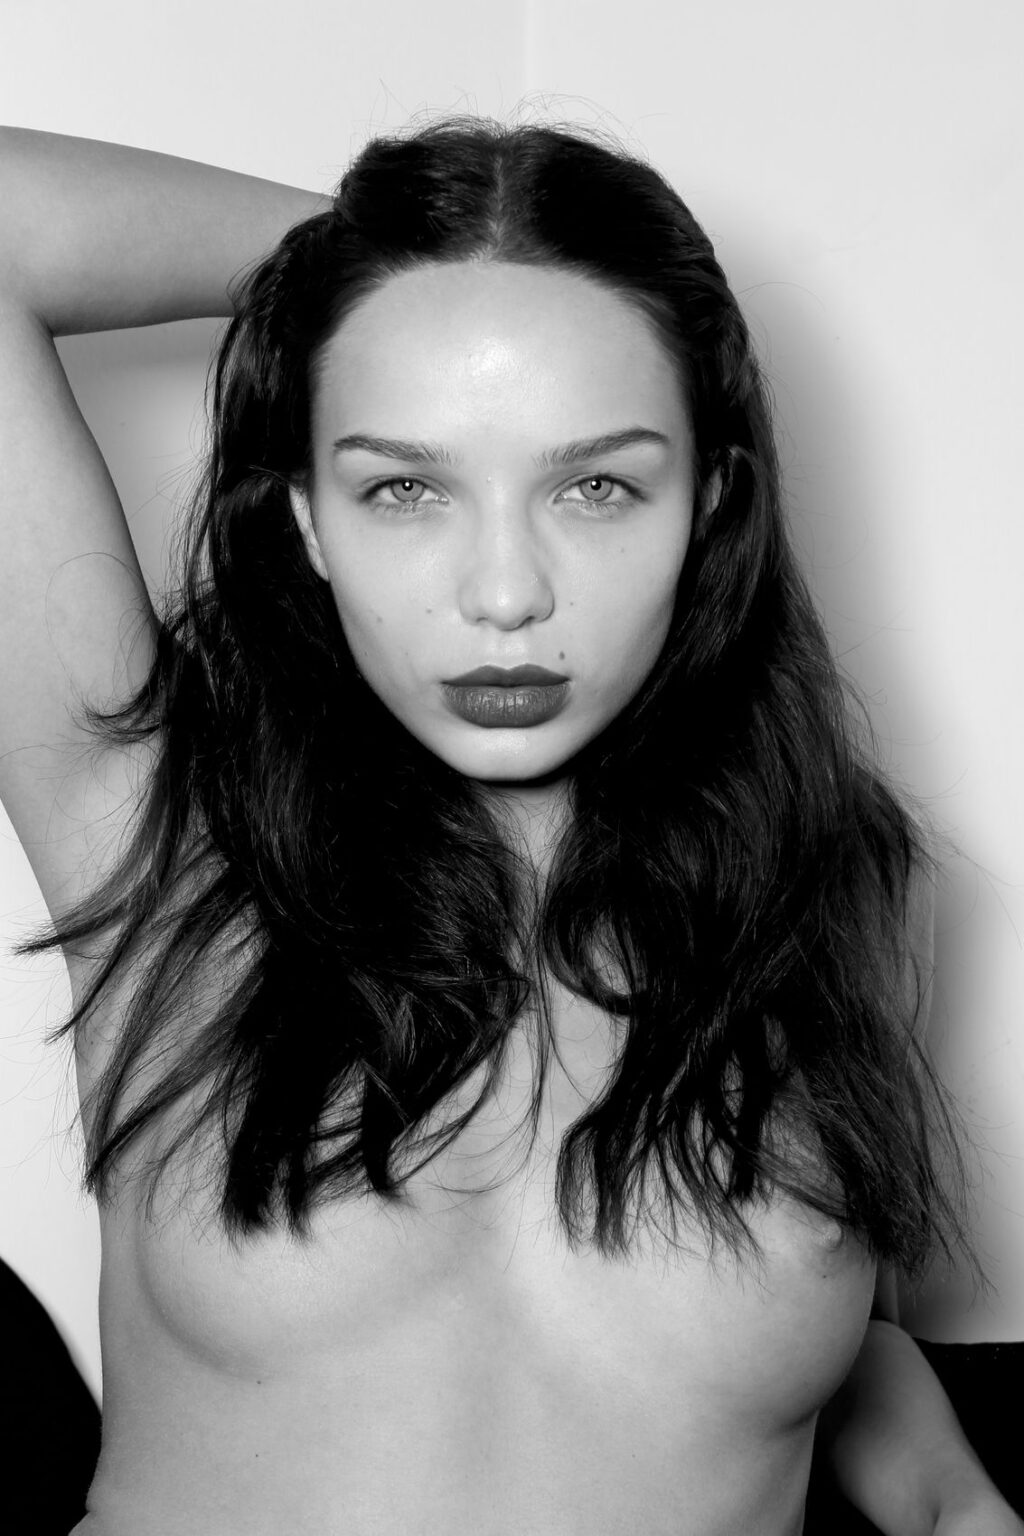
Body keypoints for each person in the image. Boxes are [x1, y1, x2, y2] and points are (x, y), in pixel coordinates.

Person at [0, 118, 1019, 1536]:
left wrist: (959, 1505)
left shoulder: (840, 888)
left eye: (596, 486)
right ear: (306, 521)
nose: (503, 593)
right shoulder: (156, 842)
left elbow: (827, 1341)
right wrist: (419, 259)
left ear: (709, 506)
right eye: (404, 488)